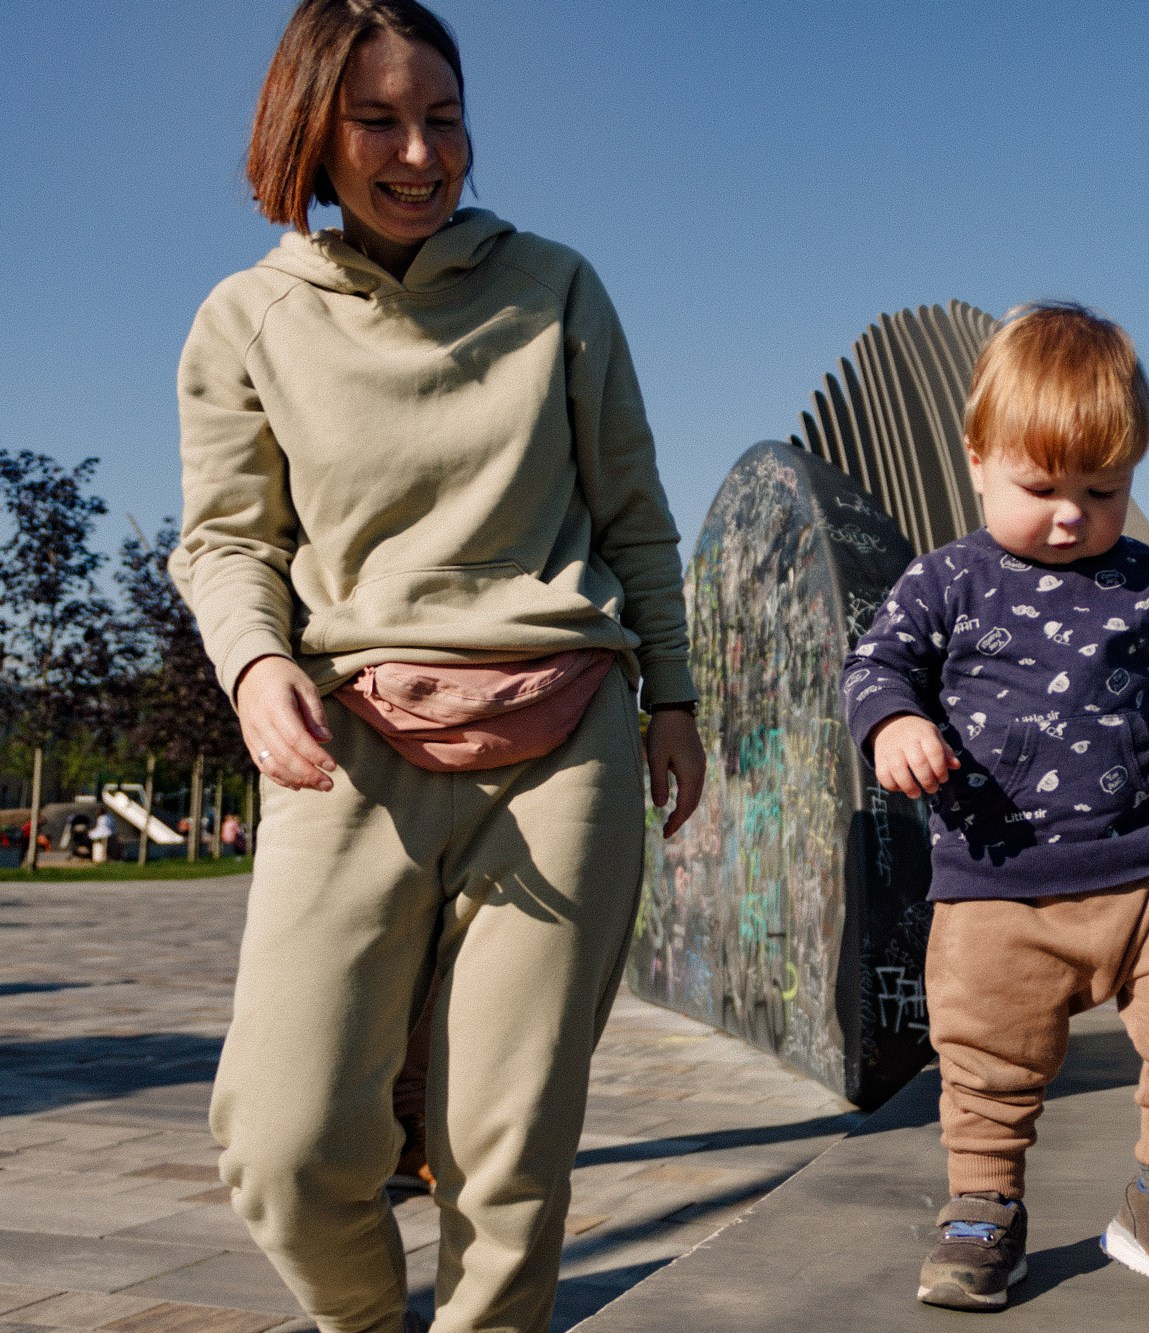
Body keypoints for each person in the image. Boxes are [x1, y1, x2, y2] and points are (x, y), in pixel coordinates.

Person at [170, 3, 704, 1328]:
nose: (422, 151)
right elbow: (230, 540)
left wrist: (676, 699)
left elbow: (634, 515)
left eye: (445, 116)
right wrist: (251, 668)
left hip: (564, 741)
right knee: (285, 1148)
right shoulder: (246, 318)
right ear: (308, 131)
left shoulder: (558, 289)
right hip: (345, 743)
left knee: (508, 1155)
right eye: (380, 120)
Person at [840, 303, 1149, 1311]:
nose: (1070, 513)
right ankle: (983, 1211)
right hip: (995, 889)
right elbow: (873, 664)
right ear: (977, 457)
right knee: (987, 1065)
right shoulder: (946, 581)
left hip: (1148, 874)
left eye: (1102, 488)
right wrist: (892, 722)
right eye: (1039, 486)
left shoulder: (1142, 582)